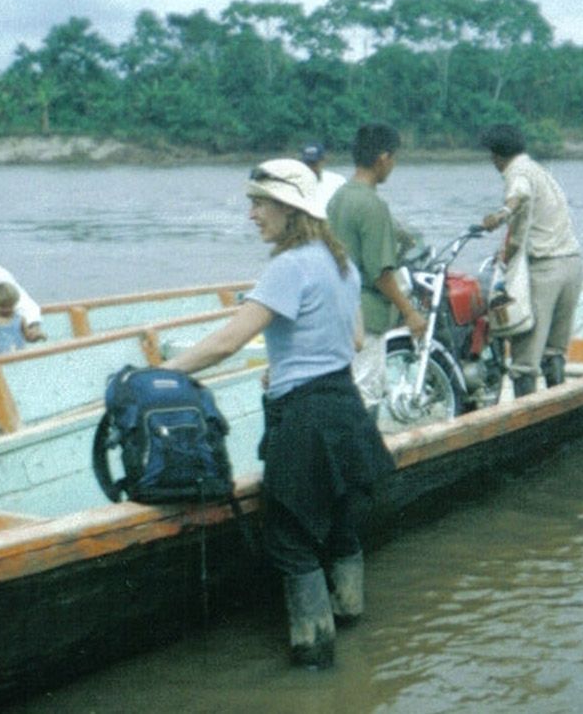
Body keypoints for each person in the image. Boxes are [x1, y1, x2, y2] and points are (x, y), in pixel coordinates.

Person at [163, 159, 393, 670]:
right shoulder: (342, 264)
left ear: (291, 211)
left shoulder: (288, 267)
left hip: (305, 416)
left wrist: (161, 371)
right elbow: (354, 341)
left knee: (289, 538)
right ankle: (351, 621)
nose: (252, 214)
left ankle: (315, 661)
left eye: (259, 203)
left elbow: (227, 341)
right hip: (344, 407)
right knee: (337, 523)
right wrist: (289, 360)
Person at [327, 123, 426, 413]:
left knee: (347, 391)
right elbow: (381, 273)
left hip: (339, 310)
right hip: (367, 318)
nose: (392, 166)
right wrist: (409, 311)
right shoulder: (372, 205)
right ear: (383, 158)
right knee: (366, 397)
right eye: (393, 159)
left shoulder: (339, 198)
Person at [479, 123, 583, 397]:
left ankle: (525, 420)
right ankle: (558, 409)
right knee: (554, 352)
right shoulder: (540, 170)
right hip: (572, 264)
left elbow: (518, 198)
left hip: (545, 269)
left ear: (497, 155)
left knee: (524, 361)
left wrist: (501, 215)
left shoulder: (518, 173)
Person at [299, 141, 346, 216]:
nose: (310, 168)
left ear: (323, 161)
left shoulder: (338, 181)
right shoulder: (295, 184)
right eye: (307, 163)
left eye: (314, 163)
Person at [0, 281, 30, 354]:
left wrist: (35, 335)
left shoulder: (20, 319)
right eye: (3, 306)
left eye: (11, 306)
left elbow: (27, 336)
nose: (7, 309)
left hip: (18, 353)